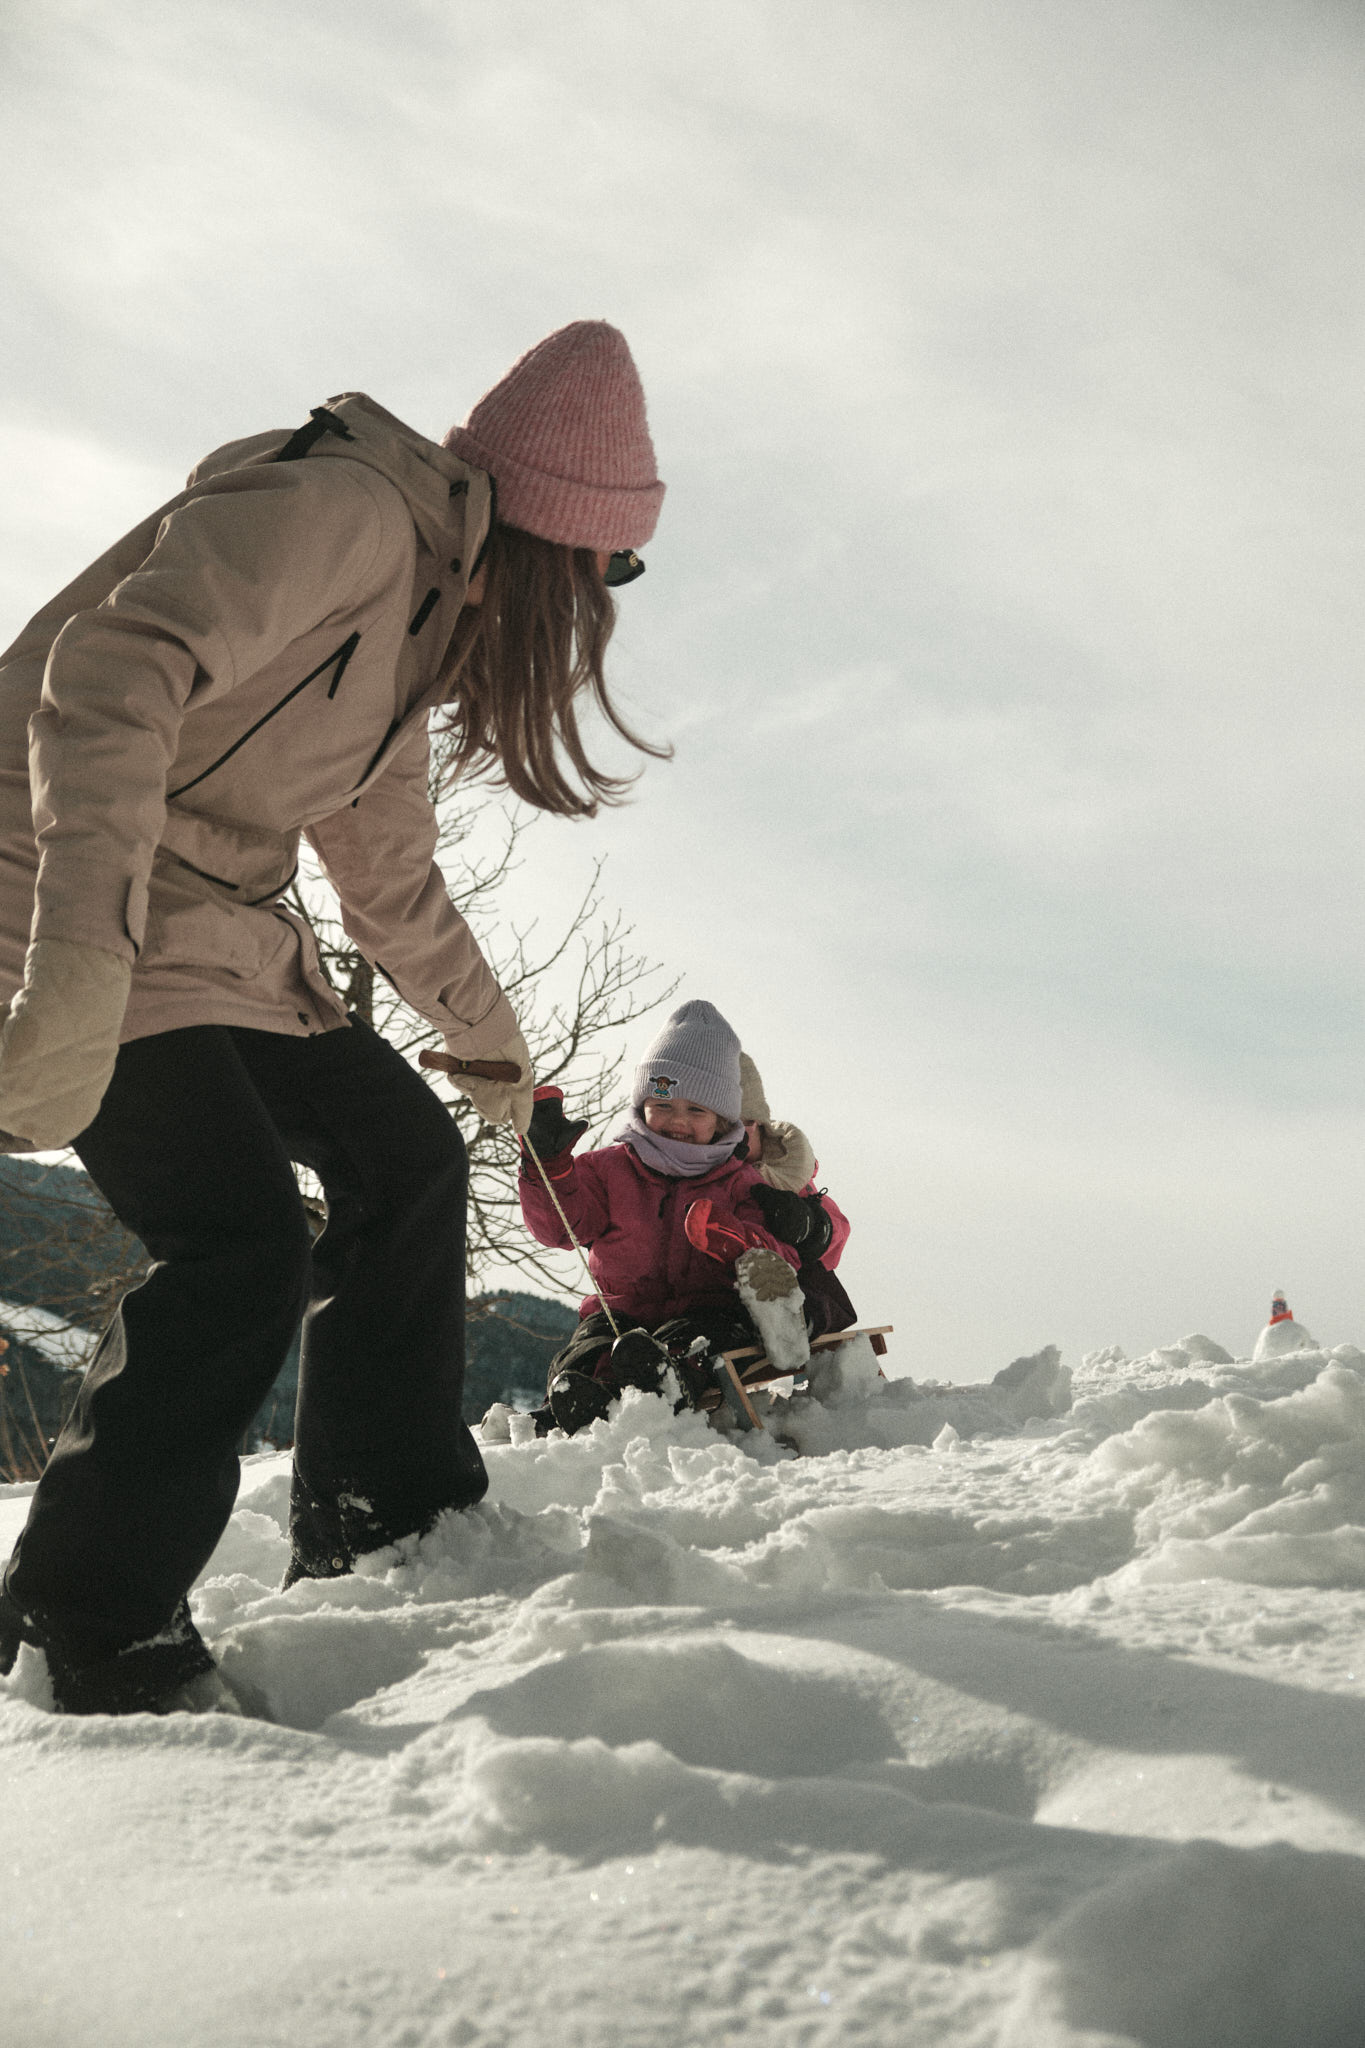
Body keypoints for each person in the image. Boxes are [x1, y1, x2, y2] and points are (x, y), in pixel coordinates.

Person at [0, 320, 666, 1715]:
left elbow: (389, 874)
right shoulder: (342, 514)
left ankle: (389, 1515)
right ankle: (85, 1631)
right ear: (564, 544)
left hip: (212, 928)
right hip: (49, 875)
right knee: (241, 1241)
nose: (610, 600)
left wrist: (493, 1042)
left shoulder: (421, 621)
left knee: (406, 1157)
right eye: (616, 569)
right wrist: (71, 964)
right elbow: (107, 678)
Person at [515, 1000, 842, 1436]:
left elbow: (783, 1258)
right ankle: (578, 1397)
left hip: (707, 1309)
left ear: (724, 1119)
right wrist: (548, 1168)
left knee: (696, 1340)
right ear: (643, 1101)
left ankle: (667, 1381)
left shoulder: (739, 1182)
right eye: (664, 1105)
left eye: (696, 1111)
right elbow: (559, 1227)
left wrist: (738, 1242)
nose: (677, 1123)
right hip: (622, 1312)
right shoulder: (608, 1169)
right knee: (591, 1345)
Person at [736, 1050, 857, 1336]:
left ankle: (800, 1321)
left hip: (790, 1281)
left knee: (812, 1280)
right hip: (726, 1286)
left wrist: (811, 1226)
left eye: (746, 1124)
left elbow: (839, 1231)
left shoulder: (785, 1164)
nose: (735, 1137)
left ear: (761, 1123)